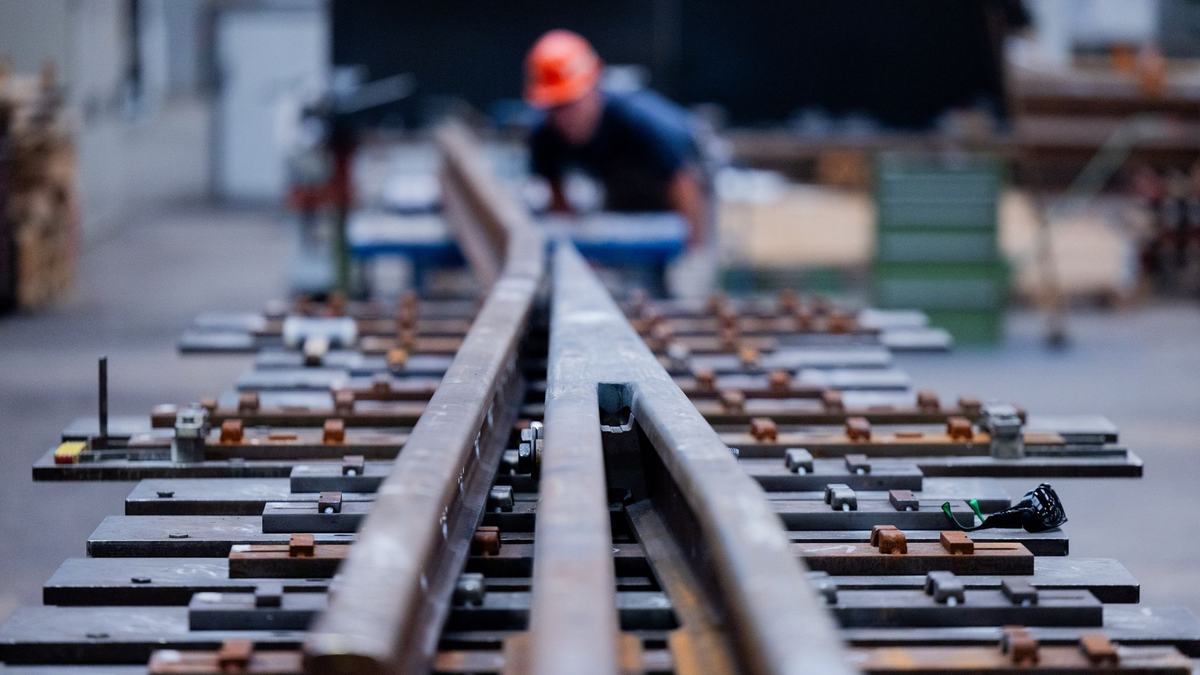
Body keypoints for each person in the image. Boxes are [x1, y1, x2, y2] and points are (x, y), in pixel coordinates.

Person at [524, 29, 711, 251]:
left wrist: (692, 251)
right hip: (622, 184)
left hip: (688, 175)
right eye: (555, 107)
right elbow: (558, 204)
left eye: (570, 104)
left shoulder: (638, 119)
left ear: (594, 88)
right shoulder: (545, 132)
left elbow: (683, 181)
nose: (563, 117)